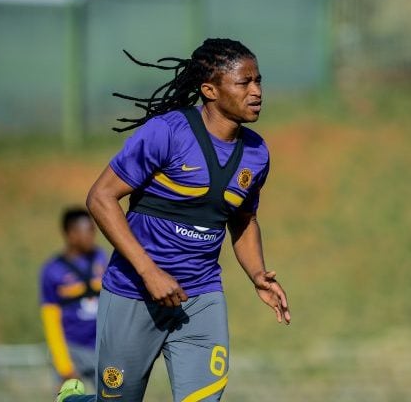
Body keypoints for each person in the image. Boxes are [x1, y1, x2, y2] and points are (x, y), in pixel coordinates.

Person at [56, 38, 290, 402]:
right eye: (244, 83)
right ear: (209, 89)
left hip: (201, 296)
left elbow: (243, 220)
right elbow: (100, 198)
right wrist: (149, 272)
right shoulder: (167, 132)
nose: (257, 92)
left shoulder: (256, 153)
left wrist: (258, 275)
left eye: (259, 81)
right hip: (134, 292)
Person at [40, 207, 108, 390]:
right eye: (86, 231)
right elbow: (50, 319)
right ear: (70, 234)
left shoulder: (101, 258)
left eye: (92, 230)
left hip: (101, 348)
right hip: (72, 350)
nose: (91, 236)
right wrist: (64, 366)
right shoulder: (53, 270)